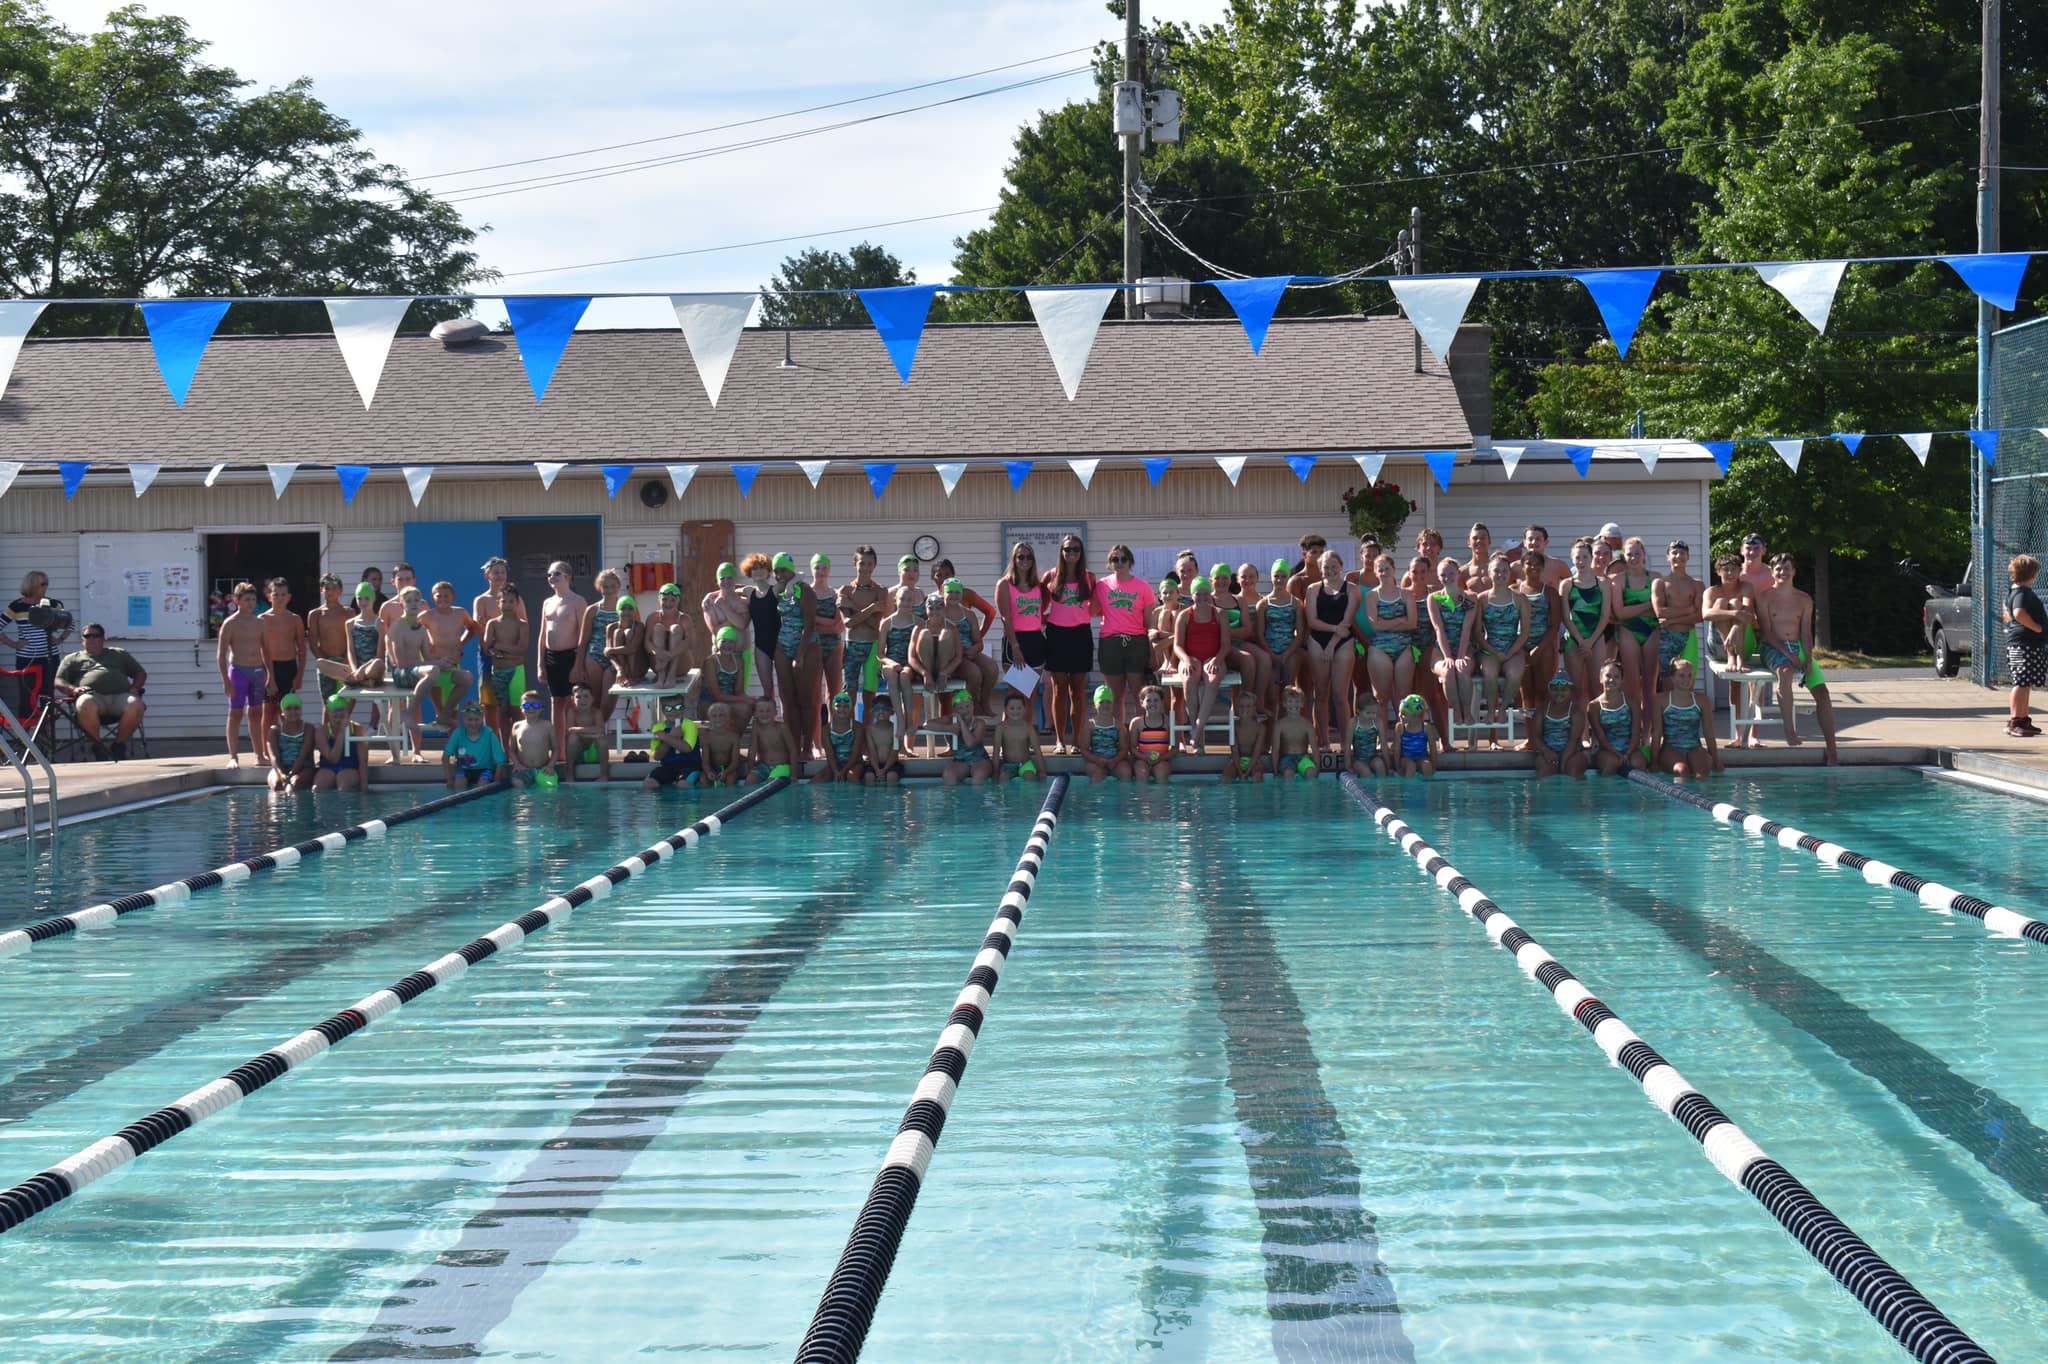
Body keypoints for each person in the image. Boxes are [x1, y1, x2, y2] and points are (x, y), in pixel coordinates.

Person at [1756, 553, 1840, 763]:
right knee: (1784, 672)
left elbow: (1805, 633)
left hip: (1799, 647)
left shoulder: (1804, 599)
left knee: (1822, 692)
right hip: (1774, 647)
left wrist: (1808, 658)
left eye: (1787, 568)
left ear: (1793, 571)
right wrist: (1789, 655)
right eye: (1778, 569)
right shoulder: (1764, 597)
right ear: (1772, 572)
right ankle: (1789, 731)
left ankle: (1832, 748)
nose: (1782, 572)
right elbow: (1767, 633)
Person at [52, 623, 146, 759]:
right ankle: (98, 746)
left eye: (96, 636)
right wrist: (74, 689)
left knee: (136, 704)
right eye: (87, 636)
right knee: (84, 703)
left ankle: (118, 745)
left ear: (103, 639)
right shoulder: (72, 658)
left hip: (120, 697)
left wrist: (135, 688)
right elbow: (58, 681)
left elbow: (140, 673)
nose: (91, 639)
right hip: (93, 698)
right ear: (81, 640)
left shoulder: (118, 654)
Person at [1041, 534, 1096, 755]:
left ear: (1081, 553)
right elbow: (1038, 606)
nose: (1071, 553)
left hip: (1080, 635)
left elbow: (1100, 606)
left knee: (1077, 691)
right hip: (1057, 636)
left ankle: (1076, 741)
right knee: (1059, 690)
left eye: (1075, 550)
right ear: (1061, 553)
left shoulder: (1089, 578)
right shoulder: (1051, 576)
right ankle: (1059, 740)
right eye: (1067, 550)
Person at [1093, 545, 1156, 722]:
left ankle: (1142, 733)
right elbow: (1092, 610)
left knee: (1139, 694)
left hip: (1136, 643)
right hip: (1110, 643)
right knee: (1115, 696)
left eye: (1123, 559)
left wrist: (1152, 652)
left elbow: (1149, 623)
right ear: (1110, 563)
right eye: (1115, 559)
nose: (1119, 563)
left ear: (1130, 562)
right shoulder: (1102, 585)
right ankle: (1119, 736)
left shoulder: (1143, 587)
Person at [1303, 550, 1358, 757]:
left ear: (1341, 566)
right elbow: (1312, 621)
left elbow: (1347, 621)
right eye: (1326, 567)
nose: (1330, 570)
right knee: (1321, 694)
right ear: (1320, 569)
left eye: (1334, 566)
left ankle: (1345, 742)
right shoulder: (1313, 589)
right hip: (1319, 640)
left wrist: (1333, 643)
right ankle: (1323, 741)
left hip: (1343, 643)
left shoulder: (1352, 589)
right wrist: (1333, 631)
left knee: (1340, 695)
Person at [1173, 575, 1230, 754]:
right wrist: (1186, 659)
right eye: (1199, 594)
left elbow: (1226, 644)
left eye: (1206, 594)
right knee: (1190, 679)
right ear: (1192, 595)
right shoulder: (1184, 615)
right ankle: (1198, 739)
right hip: (1191, 658)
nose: (1203, 598)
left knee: (1212, 680)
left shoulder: (1219, 614)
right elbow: (1177, 645)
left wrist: (1217, 659)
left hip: (1213, 658)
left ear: (1210, 595)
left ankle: (1196, 731)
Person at [5, 569, 72, 721]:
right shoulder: (17, 606)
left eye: (47, 584)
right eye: (43, 583)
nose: (46, 587)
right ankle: (26, 738)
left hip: (49, 658)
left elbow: (70, 623)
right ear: (32, 584)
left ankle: (46, 737)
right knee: (26, 697)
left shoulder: (53, 604)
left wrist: (60, 639)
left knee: (47, 698)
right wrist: (14, 644)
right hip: (26, 659)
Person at [1363, 552, 1417, 733]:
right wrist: (1399, 620)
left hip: (1404, 648)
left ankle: (1406, 735)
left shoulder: (1406, 594)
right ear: (1376, 573)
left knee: (1404, 697)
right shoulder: (1372, 596)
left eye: (1387, 569)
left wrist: (1388, 623)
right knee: (1381, 698)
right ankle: (1382, 738)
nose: (1384, 572)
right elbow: (1375, 625)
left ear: (1394, 570)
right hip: (1379, 649)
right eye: (1380, 570)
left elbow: (1412, 623)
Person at [1475, 551, 1529, 731]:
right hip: (1489, 648)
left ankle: (1503, 708)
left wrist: (1511, 652)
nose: (1500, 574)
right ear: (1489, 574)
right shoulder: (1482, 599)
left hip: (1513, 648)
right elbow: (1477, 633)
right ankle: (1491, 710)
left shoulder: (1520, 599)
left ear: (1510, 573)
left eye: (1504, 571)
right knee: (1489, 674)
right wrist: (1493, 651)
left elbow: (1524, 632)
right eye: (1496, 571)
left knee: (1514, 675)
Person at [994, 542, 1047, 722]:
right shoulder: (1005, 584)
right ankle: (1006, 741)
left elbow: (1040, 613)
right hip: (1015, 640)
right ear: (1014, 560)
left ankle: (1025, 739)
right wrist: (1016, 647)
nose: (1025, 560)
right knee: (1014, 696)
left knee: (1030, 695)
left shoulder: (1038, 586)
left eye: (1028, 557)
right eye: (1020, 557)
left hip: (1036, 640)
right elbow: (1005, 618)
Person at [217, 581, 268, 767]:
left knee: (256, 713)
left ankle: (259, 755)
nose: (251, 603)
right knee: (235, 713)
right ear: (237, 601)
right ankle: (233, 756)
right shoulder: (230, 623)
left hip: (257, 672)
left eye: (253, 600)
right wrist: (225, 680)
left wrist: (269, 673)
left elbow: (266, 650)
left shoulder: (260, 622)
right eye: (247, 600)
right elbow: (221, 654)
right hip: (238, 671)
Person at [1426, 557, 1478, 742]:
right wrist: (1448, 656)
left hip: (1464, 647)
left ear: (1458, 574)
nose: (1447, 577)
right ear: (1438, 577)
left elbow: (1466, 628)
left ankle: (1466, 711)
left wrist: (1461, 655)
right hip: (1441, 650)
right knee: (1448, 670)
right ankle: (1456, 711)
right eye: (1443, 574)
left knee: (1462, 669)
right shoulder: (1434, 598)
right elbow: (1438, 628)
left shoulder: (1469, 598)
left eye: (1450, 573)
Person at [770, 552, 817, 753]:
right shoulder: (778, 591)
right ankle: (793, 747)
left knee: (805, 699)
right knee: (788, 700)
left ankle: (807, 747)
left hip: (806, 646)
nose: (780, 574)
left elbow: (810, 624)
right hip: (783, 644)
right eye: (776, 570)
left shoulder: (803, 590)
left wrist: (800, 654)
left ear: (791, 570)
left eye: (783, 570)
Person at [541, 562, 587, 764]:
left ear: (567, 576)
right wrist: (540, 664)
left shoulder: (577, 601)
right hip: (552, 657)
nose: (552, 577)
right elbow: (543, 635)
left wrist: (578, 664)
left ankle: (576, 748)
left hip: (571, 656)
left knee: (573, 703)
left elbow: (583, 636)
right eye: (549, 574)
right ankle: (558, 750)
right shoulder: (547, 602)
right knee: (556, 703)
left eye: (556, 573)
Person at [1612, 537, 1661, 715]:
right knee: (1632, 684)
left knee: (1650, 684)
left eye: (1637, 554)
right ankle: (1634, 729)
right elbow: (1620, 613)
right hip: (1628, 630)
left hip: (1652, 630)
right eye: (1629, 554)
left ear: (1644, 555)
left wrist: (1632, 609)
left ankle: (1647, 731)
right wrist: (1649, 605)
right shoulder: (1618, 580)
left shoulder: (1655, 578)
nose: (1633, 558)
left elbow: (1660, 611)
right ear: (1624, 557)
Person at [1559, 537, 1611, 702]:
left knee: (1598, 686)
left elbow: (1605, 616)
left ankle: (1596, 726)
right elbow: (1566, 617)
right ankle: (1579, 727)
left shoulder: (1602, 584)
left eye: (1585, 557)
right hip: (1574, 639)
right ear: (1572, 559)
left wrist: (1590, 641)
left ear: (1591, 558)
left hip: (1596, 638)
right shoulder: (1567, 585)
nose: (1581, 561)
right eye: (1577, 558)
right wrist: (1581, 641)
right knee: (1576, 688)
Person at [258, 577, 306, 757]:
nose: (279, 598)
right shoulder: (262, 619)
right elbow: (261, 649)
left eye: (283, 595)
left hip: (289, 668)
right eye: (275, 594)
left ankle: (289, 748)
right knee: (268, 710)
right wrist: (269, 674)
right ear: (269, 597)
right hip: (269, 669)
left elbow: (301, 649)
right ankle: (265, 751)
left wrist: (299, 675)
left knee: (288, 711)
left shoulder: (295, 619)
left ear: (289, 597)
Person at [936, 578, 997, 714]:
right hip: (951, 656)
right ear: (942, 593)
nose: (953, 596)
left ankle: (984, 701)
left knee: (992, 668)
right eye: (950, 592)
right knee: (974, 674)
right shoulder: (938, 613)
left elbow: (978, 642)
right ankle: (973, 705)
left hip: (968, 652)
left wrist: (974, 649)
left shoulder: (968, 614)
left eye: (957, 593)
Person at [841, 546, 889, 717]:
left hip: (872, 646)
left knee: (870, 693)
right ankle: (852, 732)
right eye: (862, 563)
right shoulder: (845, 590)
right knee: (849, 692)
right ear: (855, 564)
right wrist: (871, 608)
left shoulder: (881, 590)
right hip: (851, 645)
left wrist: (854, 607)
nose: (866, 568)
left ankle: (867, 733)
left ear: (874, 566)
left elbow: (874, 624)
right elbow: (848, 623)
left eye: (870, 564)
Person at [1651, 541, 1705, 692]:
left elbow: (1700, 615)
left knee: (1689, 681)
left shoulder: (1697, 584)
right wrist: (1688, 609)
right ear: (1668, 557)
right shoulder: (1660, 583)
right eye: (1674, 553)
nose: (1678, 556)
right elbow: (1660, 612)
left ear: (1688, 557)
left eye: (1682, 553)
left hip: (1689, 635)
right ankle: (1667, 715)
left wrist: (1673, 619)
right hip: (1667, 637)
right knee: (1668, 681)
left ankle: (1688, 715)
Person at [421, 581, 478, 724]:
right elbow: (413, 632)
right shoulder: (426, 615)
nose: (443, 599)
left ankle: (451, 741)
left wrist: (462, 642)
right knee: (440, 712)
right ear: (432, 598)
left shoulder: (460, 612)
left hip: (453, 663)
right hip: (436, 665)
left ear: (453, 597)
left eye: (446, 596)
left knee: (451, 713)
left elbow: (472, 628)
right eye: (438, 596)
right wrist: (426, 648)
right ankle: (441, 715)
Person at [481, 583, 529, 749]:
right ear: (498, 603)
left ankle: (519, 748)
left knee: (517, 710)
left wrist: (500, 647)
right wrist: (503, 649)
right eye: (504, 601)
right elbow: (487, 647)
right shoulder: (492, 624)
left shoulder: (522, 624)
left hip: (516, 671)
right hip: (499, 671)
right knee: (502, 711)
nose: (507, 605)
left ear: (517, 603)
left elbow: (521, 649)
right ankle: (504, 749)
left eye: (511, 601)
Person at [1653, 657, 1719, 779]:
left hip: (1695, 747)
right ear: (1672, 678)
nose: (1686, 679)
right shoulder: (1660, 700)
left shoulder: (1702, 700)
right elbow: (1656, 733)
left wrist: (1716, 760)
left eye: (1689, 675)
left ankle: (1701, 798)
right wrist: (1654, 762)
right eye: (1681, 675)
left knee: (1702, 774)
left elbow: (1709, 732)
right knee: (1682, 771)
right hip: (1671, 748)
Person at [473, 556, 517, 737]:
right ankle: (493, 744)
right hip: (488, 656)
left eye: (502, 572)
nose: (500, 576)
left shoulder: (514, 598)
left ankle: (514, 746)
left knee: (513, 703)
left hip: (511, 656)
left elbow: (523, 623)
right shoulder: (481, 600)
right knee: (489, 703)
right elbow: (478, 626)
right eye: (495, 572)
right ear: (487, 575)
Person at [1588, 657, 1647, 776]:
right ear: (1600, 679)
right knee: (1611, 763)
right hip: (1606, 750)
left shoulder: (1632, 702)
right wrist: (1617, 754)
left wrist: (1628, 753)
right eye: (1608, 676)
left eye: (1616, 677)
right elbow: (1601, 738)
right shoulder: (1594, 706)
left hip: (1630, 748)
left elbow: (1636, 733)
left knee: (1638, 763)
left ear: (1622, 680)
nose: (1612, 680)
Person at [2007, 554, 2045, 738]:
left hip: (2027, 643)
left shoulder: (2016, 592)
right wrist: (2036, 627)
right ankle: (2015, 721)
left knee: (2026, 682)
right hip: (2024, 644)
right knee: (2021, 682)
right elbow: (2018, 613)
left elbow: (2007, 614)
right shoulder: (2022, 593)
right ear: (2031, 575)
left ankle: (2023, 718)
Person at [875, 585, 921, 736]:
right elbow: (880, 654)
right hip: (891, 662)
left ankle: (909, 720)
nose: (906, 602)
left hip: (910, 664)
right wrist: (891, 663)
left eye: (909, 600)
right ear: (896, 600)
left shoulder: (919, 622)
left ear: (913, 602)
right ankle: (900, 720)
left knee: (904, 675)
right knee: (891, 674)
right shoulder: (887, 623)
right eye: (902, 599)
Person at [581, 568, 624, 721]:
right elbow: (583, 640)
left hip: (616, 657)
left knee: (609, 698)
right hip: (594, 655)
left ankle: (600, 728)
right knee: (595, 697)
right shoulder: (592, 610)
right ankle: (593, 735)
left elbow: (635, 634)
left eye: (613, 586)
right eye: (605, 586)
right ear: (599, 588)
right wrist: (578, 665)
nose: (609, 590)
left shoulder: (625, 608)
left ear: (619, 587)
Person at [1258, 557, 1303, 702]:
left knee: (1288, 694)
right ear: (1271, 578)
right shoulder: (1263, 604)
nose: (1279, 580)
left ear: (1288, 577)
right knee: (1271, 694)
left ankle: (1286, 724)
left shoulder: (1296, 603)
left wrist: (1285, 655)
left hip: (1290, 651)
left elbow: (1300, 633)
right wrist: (1271, 654)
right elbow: (1259, 633)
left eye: (1283, 576)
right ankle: (1271, 724)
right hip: (1269, 651)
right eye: (1276, 576)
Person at [307, 573, 354, 706]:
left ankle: (345, 727)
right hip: (326, 663)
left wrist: (346, 661)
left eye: (334, 588)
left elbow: (353, 640)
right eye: (327, 588)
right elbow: (313, 643)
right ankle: (327, 727)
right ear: (322, 590)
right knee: (328, 704)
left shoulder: (348, 612)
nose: (330, 592)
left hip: (345, 663)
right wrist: (325, 662)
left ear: (341, 590)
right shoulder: (315, 614)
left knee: (346, 702)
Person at [1531, 672, 1586, 780]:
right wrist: (1546, 751)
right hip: (1548, 750)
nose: (1559, 693)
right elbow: (1535, 737)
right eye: (1555, 689)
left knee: (1572, 773)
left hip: (1573, 752)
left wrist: (1563, 764)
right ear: (1550, 690)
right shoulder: (1542, 710)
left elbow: (1573, 741)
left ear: (1571, 691)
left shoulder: (1576, 712)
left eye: (1563, 689)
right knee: (1544, 775)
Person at [441, 700, 507, 788]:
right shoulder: (458, 733)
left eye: (476, 719)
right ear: (464, 719)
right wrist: (449, 779)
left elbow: (500, 761)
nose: (473, 723)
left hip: (485, 770)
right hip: (464, 770)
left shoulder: (488, 733)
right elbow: (445, 757)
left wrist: (496, 781)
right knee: (459, 784)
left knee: (482, 785)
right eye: (470, 720)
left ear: (482, 718)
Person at [705, 625, 758, 731]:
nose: (727, 645)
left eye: (731, 642)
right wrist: (743, 699)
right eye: (723, 641)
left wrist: (751, 700)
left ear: (735, 644)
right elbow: (717, 695)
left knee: (754, 706)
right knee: (744, 709)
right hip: (710, 701)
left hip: (729, 700)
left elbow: (739, 691)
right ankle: (732, 739)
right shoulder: (711, 662)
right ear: (717, 642)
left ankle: (734, 739)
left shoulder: (739, 661)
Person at [643, 697, 702, 790]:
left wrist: (666, 737)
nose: (674, 711)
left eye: (678, 707)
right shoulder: (658, 728)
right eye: (668, 708)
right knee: (649, 784)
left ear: (683, 708)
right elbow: (657, 757)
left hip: (690, 765)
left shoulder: (690, 725)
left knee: (683, 785)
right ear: (663, 711)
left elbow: (687, 748)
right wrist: (671, 737)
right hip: (668, 766)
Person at [311, 693, 365, 791]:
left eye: (341, 710)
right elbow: (333, 759)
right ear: (328, 712)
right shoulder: (322, 731)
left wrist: (364, 792)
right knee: (317, 789)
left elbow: (363, 762)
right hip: (328, 767)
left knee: (343, 787)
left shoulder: (357, 729)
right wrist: (341, 732)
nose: (338, 714)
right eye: (335, 710)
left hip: (350, 767)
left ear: (347, 711)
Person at [940, 687, 993, 786]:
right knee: (948, 775)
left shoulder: (979, 723)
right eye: (960, 708)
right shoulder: (950, 721)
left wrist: (961, 722)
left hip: (980, 760)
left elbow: (970, 744)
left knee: (978, 777)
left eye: (968, 706)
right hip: (960, 761)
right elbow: (927, 724)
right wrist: (948, 728)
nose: (965, 710)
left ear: (973, 706)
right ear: (955, 710)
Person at [809, 554, 844, 703]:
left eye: (824, 567)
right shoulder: (806, 594)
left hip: (834, 647)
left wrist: (816, 622)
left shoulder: (836, 594)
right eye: (817, 567)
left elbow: (839, 626)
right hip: (812, 646)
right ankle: (815, 726)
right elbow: (806, 622)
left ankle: (833, 725)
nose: (821, 571)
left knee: (834, 691)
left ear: (829, 570)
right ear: (812, 570)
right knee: (814, 691)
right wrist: (829, 623)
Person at [560, 682, 609, 782]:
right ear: (573, 700)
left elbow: (600, 730)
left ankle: (604, 775)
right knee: (572, 738)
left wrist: (577, 730)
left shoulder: (596, 712)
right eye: (578, 697)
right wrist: (592, 733)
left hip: (594, 754)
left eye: (586, 696)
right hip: (578, 755)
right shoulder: (572, 712)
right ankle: (570, 774)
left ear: (592, 699)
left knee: (601, 740)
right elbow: (569, 731)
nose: (582, 700)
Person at [267, 693, 316, 792]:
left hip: (304, 768)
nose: (293, 711)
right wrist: (281, 774)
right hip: (281, 767)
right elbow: (274, 757)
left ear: (301, 710)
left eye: (296, 708)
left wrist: (290, 774)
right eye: (289, 708)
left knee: (293, 785)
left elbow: (303, 754)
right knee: (277, 786)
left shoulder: (308, 728)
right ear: (282, 712)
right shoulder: (275, 731)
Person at [647, 582, 692, 689]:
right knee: (658, 627)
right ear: (659, 600)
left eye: (673, 600)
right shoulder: (653, 617)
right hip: (659, 666)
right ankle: (661, 676)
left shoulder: (684, 619)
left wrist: (669, 656)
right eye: (664, 599)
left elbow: (689, 643)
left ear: (678, 601)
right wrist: (659, 653)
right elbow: (646, 643)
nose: (668, 603)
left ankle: (671, 675)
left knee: (676, 628)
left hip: (680, 666)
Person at [992, 693, 1045, 783]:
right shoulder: (1001, 728)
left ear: (1024, 709)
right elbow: (996, 752)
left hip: (1025, 763)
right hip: (1008, 764)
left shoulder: (1028, 728)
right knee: (1003, 778)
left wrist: (1042, 771)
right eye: (1012, 708)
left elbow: (1037, 750)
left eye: (1019, 708)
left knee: (1030, 778)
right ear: (1005, 710)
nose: (1015, 711)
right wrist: (995, 772)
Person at [1083, 683, 1131, 782]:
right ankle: (1097, 797)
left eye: (1108, 702)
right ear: (1095, 705)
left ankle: (1123, 797)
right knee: (1097, 775)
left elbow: (1124, 749)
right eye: (1101, 702)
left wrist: (1115, 760)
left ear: (1113, 704)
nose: (1105, 705)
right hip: (1095, 761)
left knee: (1126, 772)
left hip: (1115, 761)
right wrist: (1097, 760)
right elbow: (1084, 749)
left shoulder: (1118, 725)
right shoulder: (1090, 725)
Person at [510, 690, 557, 787]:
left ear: (541, 709)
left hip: (544, 769)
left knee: (549, 787)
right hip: (524, 769)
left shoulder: (547, 726)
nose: (531, 708)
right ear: (521, 708)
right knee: (517, 783)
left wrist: (550, 766)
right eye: (526, 706)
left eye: (535, 705)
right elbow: (511, 750)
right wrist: (517, 764)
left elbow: (555, 748)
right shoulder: (516, 726)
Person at [816, 691, 865, 783]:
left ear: (850, 708)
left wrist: (843, 771)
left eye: (846, 706)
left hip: (854, 763)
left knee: (852, 776)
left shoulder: (857, 727)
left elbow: (855, 753)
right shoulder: (826, 729)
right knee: (818, 779)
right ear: (833, 708)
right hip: (835, 764)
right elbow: (829, 753)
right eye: (838, 706)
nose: (842, 709)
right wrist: (836, 771)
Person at [1128, 683, 1173, 783]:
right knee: (1141, 774)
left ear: (1162, 702)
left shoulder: (1169, 722)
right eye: (1148, 700)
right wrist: (1144, 757)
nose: (1152, 703)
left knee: (1161, 776)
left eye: (1156, 700)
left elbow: (1175, 748)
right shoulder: (1137, 723)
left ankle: (1161, 798)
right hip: (1142, 760)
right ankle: (1142, 798)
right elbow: (1132, 747)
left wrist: (1161, 758)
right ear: (1141, 703)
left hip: (1162, 760)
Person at [1271, 684, 1316, 780]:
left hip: (1303, 757)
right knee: (1288, 774)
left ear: (1302, 704)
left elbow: (1314, 748)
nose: (1294, 705)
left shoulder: (1307, 724)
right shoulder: (1279, 725)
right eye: (1290, 701)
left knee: (1311, 772)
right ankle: (1290, 795)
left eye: (1297, 702)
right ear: (1284, 704)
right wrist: (1275, 771)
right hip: (1286, 758)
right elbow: (1275, 750)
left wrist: (1318, 769)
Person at [748, 702, 800, 784]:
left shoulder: (782, 727)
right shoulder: (756, 729)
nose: (765, 714)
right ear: (755, 713)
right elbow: (752, 750)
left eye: (768, 711)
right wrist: (750, 770)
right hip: (764, 766)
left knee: (771, 783)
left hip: (782, 766)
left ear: (775, 712)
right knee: (750, 780)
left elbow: (793, 750)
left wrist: (794, 774)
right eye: (761, 711)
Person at [605, 594, 651, 685]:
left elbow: (632, 649)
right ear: (618, 611)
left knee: (628, 632)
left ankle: (632, 676)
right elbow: (609, 655)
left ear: (634, 611)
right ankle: (624, 675)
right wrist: (619, 669)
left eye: (630, 609)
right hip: (621, 668)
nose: (626, 612)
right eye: (623, 609)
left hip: (638, 666)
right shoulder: (611, 627)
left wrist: (611, 650)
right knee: (618, 633)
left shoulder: (639, 626)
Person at [1223, 689, 1269, 782]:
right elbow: (1234, 752)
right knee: (1226, 778)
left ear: (1254, 708)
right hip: (1237, 760)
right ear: (1237, 707)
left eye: (1248, 706)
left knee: (1257, 777)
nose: (1244, 709)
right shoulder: (1234, 726)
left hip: (1254, 761)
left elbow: (1256, 752)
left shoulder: (1260, 728)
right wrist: (1240, 773)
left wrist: (1246, 773)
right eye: (1241, 706)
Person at [700, 701, 746, 786]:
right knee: (703, 780)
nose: (718, 718)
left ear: (728, 717)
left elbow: (735, 761)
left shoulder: (734, 737)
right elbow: (705, 761)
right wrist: (708, 771)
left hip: (729, 768)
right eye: (714, 716)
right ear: (710, 718)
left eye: (721, 715)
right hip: (713, 767)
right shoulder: (707, 737)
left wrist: (725, 772)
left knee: (730, 780)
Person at [859, 699, 904, 784]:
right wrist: (877, 769)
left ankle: (892, 797)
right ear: (872, 711)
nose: (881, 712)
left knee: (892, 777)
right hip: (874, 764)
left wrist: (884, 769)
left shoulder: (896, 729)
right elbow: (872, 751)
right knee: (869, 777)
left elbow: (894, 752)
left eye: (885, 709)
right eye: (877, 709)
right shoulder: (870, 730)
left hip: (892, 764)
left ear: (892, 712)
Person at [1394, 693, 1438, 777]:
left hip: (1422, 758)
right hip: (1406, 759)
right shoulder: (1400, 727)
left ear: (1415, 717)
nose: (1400, 715)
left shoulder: (1426, 728)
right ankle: (1408, 789)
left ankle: (1428, 787)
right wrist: (1397, 767)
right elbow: (1397, 750)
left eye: (1403, 714)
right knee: (1411, 766)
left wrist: (1433, 767)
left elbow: (1433, 749)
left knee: (1426, 766)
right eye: (1399, 712)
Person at [1346, 693, 1385, 777]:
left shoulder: (1378, 722)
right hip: (1357, 760)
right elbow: (1347, 746)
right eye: (1368, 713)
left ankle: (1381, 788)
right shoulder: (1353, 723)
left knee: (1380, 766)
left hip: (1372, 758)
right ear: (1358, 711)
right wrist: (1347, 766)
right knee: (1366, 772)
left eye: (1374, 713)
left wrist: (1388, 767)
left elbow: (1384, 745)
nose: (1372, 716)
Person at [1738, 533, 1774, 599]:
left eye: (1756, 548)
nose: (1752, 552)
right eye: (1748, 548)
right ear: (1742, 551)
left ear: (1764, 551)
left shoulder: (1773, 574)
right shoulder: (1734, 573)